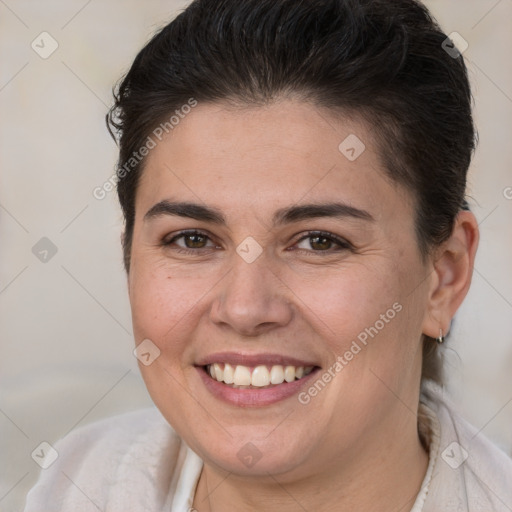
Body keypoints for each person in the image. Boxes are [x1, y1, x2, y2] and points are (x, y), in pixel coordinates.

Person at [24, 0, 512, 510]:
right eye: (192, 239)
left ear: (444, 276)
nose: (244, 308)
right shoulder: (74, 483)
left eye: (319, 241)